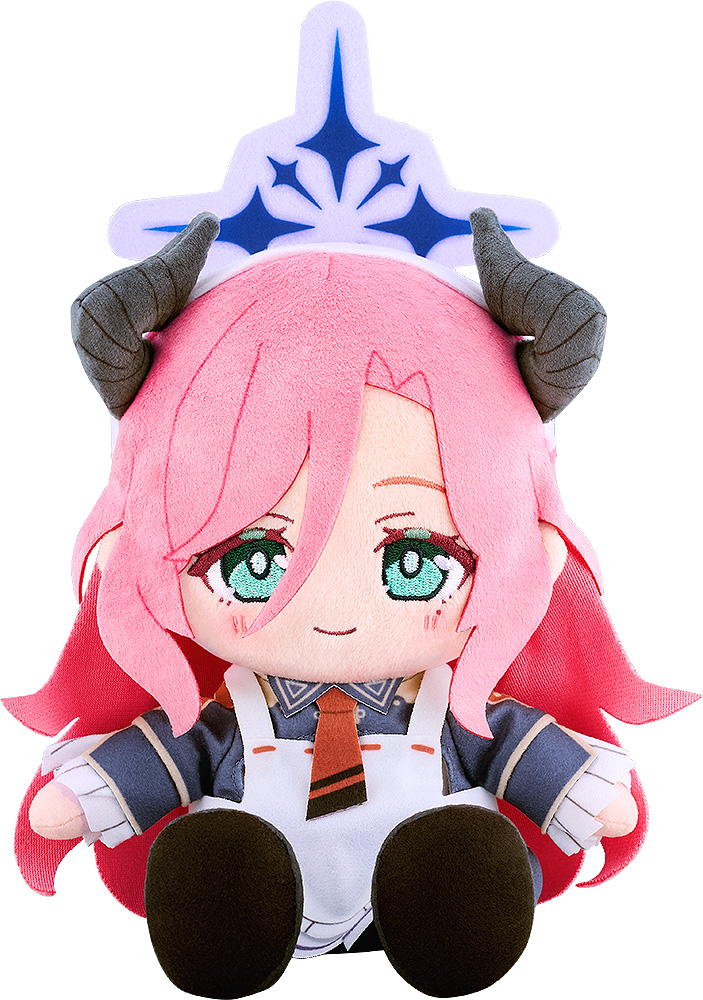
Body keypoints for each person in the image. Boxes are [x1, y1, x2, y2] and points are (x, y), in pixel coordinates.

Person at [7, 213, 695, 997]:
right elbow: (171, 755)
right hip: (259, 902)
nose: (331, 609)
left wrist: (585, 794)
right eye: (255, 564)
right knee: (218, 863)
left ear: (527, 555)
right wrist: (86, 794)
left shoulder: (458, 714)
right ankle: (228, 915)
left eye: (413, 562)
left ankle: (449, 908)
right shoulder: (227, 718)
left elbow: (517, 750)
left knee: (462, 857)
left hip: (429, 902)